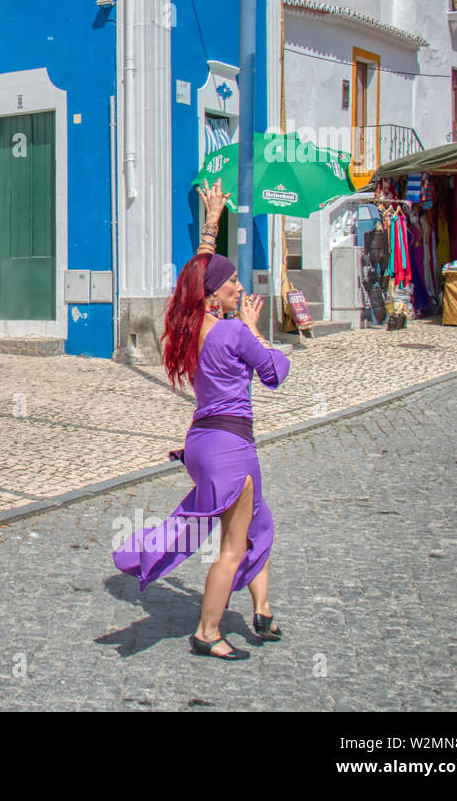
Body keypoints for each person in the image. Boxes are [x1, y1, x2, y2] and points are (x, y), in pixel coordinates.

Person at [112, 241, 290, 660]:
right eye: (232, 281)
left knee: (256, 523)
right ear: (212, 293)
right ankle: (208, 632)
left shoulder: (189, 330)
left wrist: (211, 221)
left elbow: (199, 270)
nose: (239, 286)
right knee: (233, 545)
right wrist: (255, 330)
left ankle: (262, 610)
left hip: (202, 442)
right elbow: (275, 372)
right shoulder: (233, 331)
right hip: (232, 445)